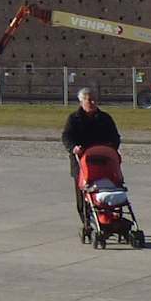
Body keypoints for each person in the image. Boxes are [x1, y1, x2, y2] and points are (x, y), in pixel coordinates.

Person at [60, 89, 121, 223]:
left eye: (94, 99)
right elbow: (67, 136)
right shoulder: (74, 119)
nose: (93, 102)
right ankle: (87, 222)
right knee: (83, 195)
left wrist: (111, 147)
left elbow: (115, 136)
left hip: (103, 161)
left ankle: (109, 219)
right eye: (89, 100)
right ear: (81, 101)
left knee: (107, 191)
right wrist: (73, 147)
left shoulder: (104, 118)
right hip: (82, 162)